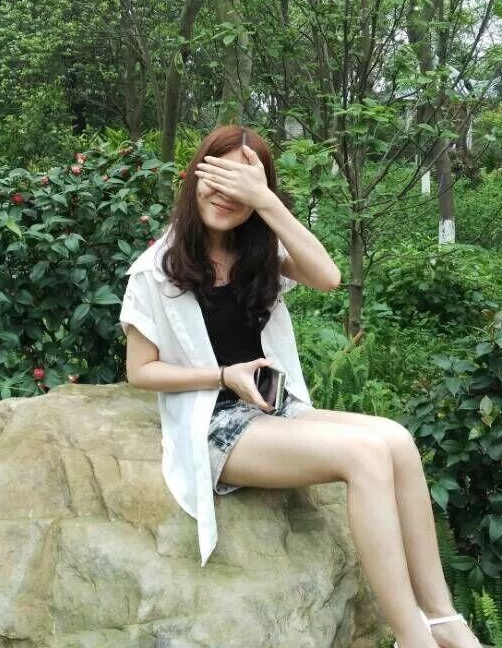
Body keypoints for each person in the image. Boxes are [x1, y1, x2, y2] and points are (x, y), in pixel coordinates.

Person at [119, 125, 483, 648]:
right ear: (195, 178)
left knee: (398, 442)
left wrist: (267, 201)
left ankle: (443, 618)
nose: (226, 195)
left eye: (243, 184)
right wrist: (222, 376)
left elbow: (328, 276)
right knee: (364, 456)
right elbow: (141, 371)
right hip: (215, 424)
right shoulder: (156, 271)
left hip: (275, 408)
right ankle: (413, 638)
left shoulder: (255, 253)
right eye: (216, 179)